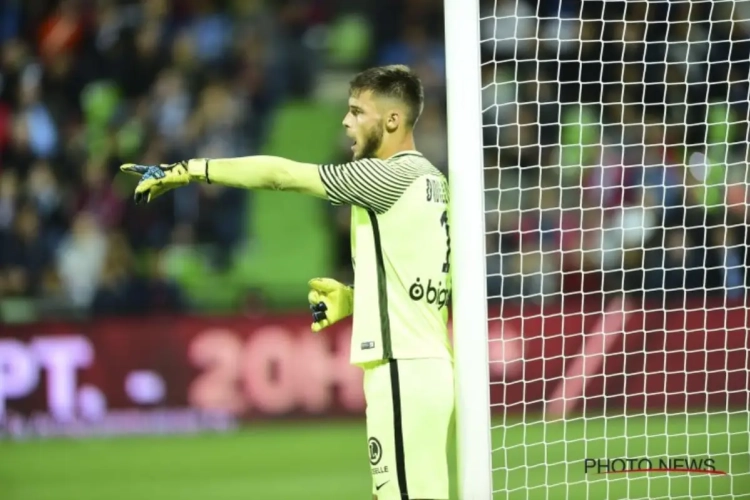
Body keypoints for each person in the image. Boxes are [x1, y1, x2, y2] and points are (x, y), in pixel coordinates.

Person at [120, 65, 453, 500]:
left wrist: (189, 169)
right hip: (421, 367)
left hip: (403, 370)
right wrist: (356, 300)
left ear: (391, 120)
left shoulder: (386, 176)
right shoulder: (433, 181)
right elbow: (422, 281)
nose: (345, 122)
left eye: (357, 111)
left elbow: (284, 175)